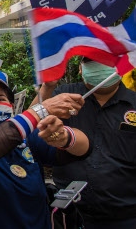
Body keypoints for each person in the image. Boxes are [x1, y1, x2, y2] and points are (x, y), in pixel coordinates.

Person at [0, 67, 91, 229]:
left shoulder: (27, 140)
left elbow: (84, 148)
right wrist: (41, 111)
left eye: (0, 99)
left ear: (10, 104)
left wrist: (65, 137)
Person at [34, 57, 136, 228]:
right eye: (90, 61)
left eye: (106, 59)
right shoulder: (63, 96)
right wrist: (47, 88)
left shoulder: (133, 104)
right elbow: (31, 125)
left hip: (126, 217)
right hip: (69, 216)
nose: (100, 65)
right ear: (80, 69)